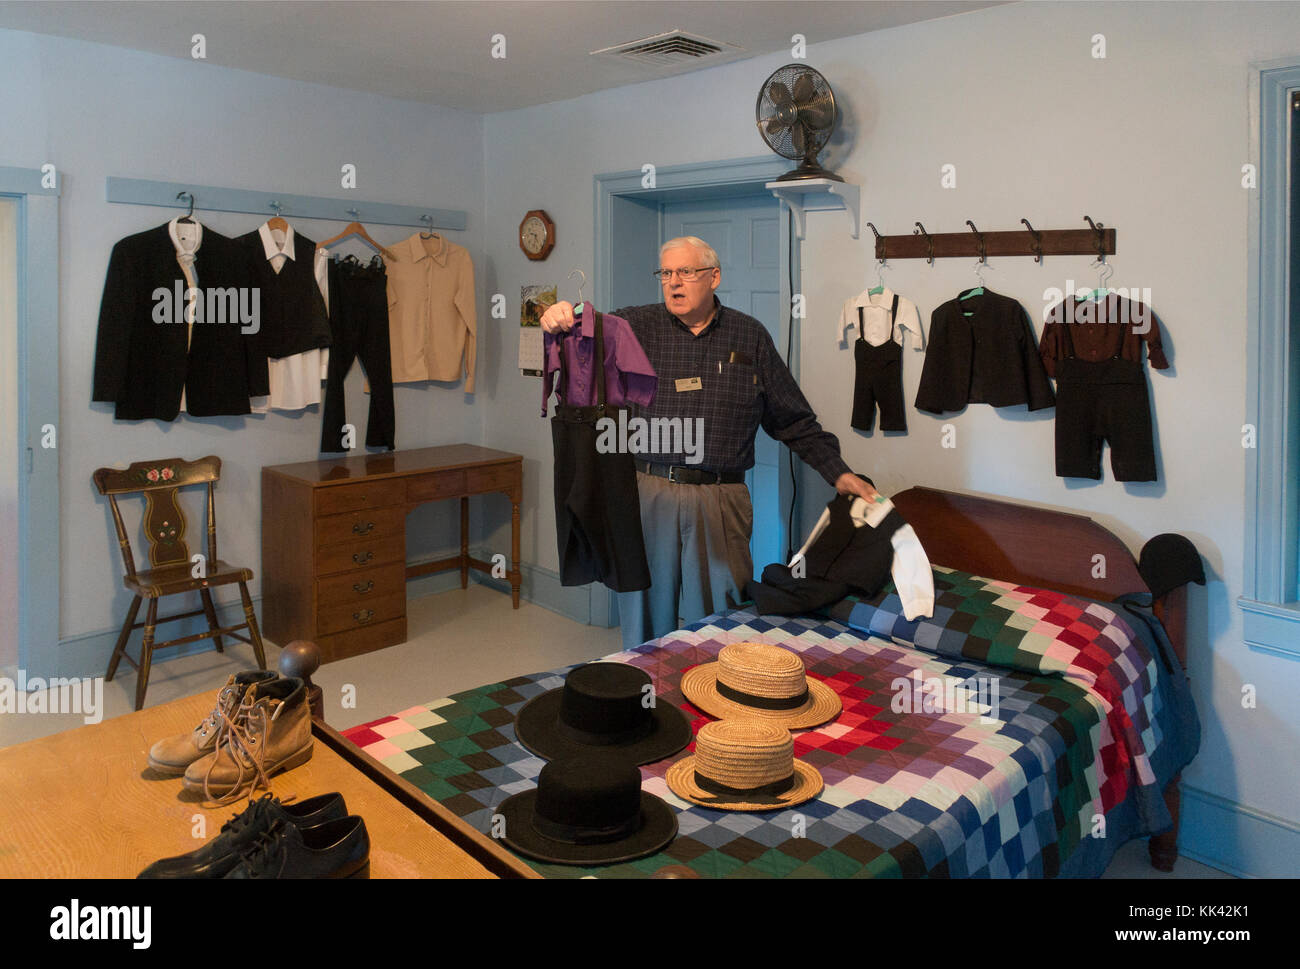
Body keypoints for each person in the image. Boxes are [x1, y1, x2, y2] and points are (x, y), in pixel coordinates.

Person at [541, 236, 875, 647]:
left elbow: (793, 419)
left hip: (720, 496)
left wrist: (838, 473)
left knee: (723, 619)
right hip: (647, 491)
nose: (673, 282)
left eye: (685, 272)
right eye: (665, 273)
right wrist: (562, 316)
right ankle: (649, 695)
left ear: (713, 277)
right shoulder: (633, 327)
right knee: (644, 613)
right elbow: (582, 335)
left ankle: (713, 698)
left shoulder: (749, 335)